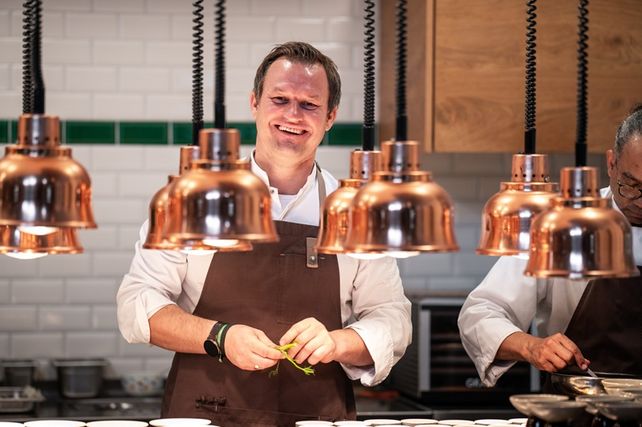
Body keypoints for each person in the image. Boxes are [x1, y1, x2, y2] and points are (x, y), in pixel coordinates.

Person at [117, 42, 412, 425]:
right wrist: (220, 336)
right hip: (208, 415)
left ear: (330, 116)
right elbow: (137, 304)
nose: (293, 115)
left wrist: (338, 342)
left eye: (310, 104)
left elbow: (392, 318)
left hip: (316, 418)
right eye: (279, 99)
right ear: (254, 103)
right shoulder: (195, 200)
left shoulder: (355, 210)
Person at [458, 105, 642, 387]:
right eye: (630, 185)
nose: (640, 201)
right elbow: (480, 314)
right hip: (579, 409)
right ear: (611, 163)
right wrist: (533, 347)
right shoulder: (561, 225)